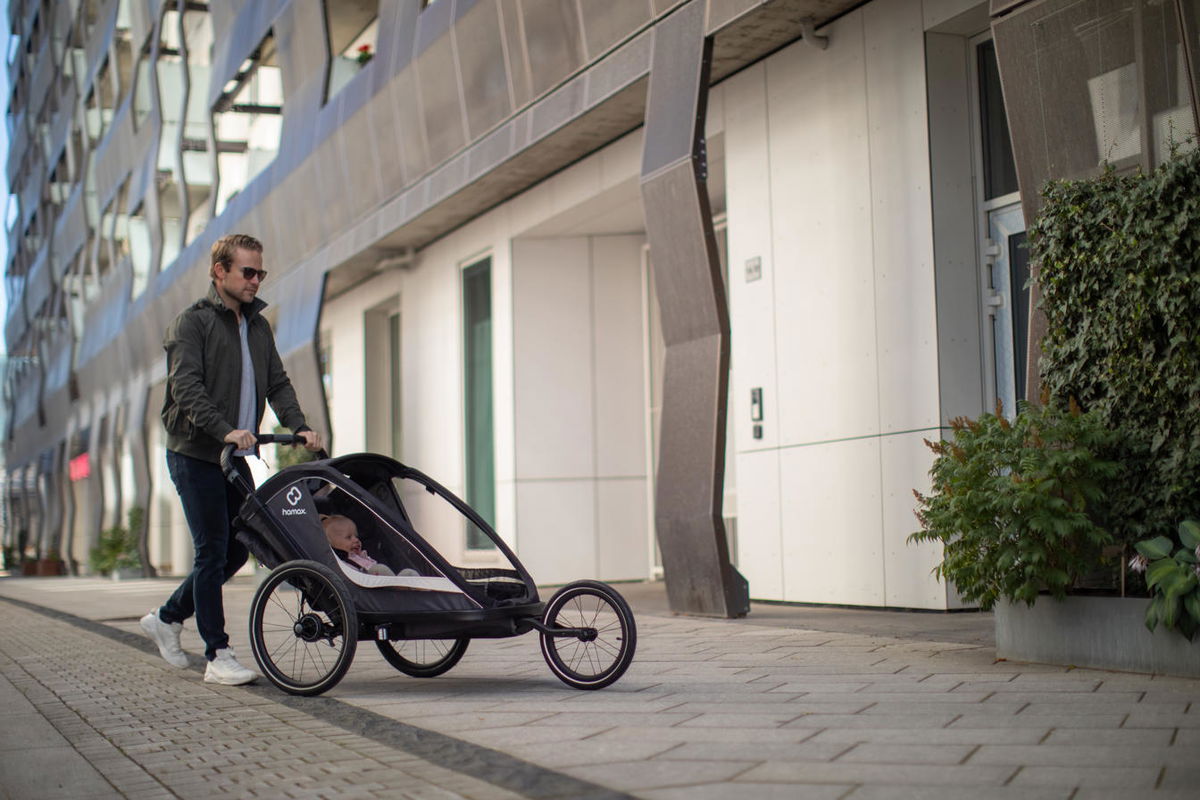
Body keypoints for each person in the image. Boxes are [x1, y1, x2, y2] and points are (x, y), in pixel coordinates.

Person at [140, 233, 323, 685]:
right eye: (248, 271)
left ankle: (167, 617)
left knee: (238, 548)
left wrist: (299, 425)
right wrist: (224, 428)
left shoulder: (257, 327)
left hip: (233, 454)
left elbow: (277, 383)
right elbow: (186, 389)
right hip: (195, 453)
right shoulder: (191, 324)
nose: (256, 280)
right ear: (219, 271)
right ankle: (217, 654)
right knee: (211, 550)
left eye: (261, 272)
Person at [321, 514, 397, 576]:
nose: (356, 540)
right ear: (333, 545)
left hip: (379, 580)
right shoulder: (344, 565)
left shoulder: (362, 556)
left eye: (356, 536)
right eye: (349, 537)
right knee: (380, 569)